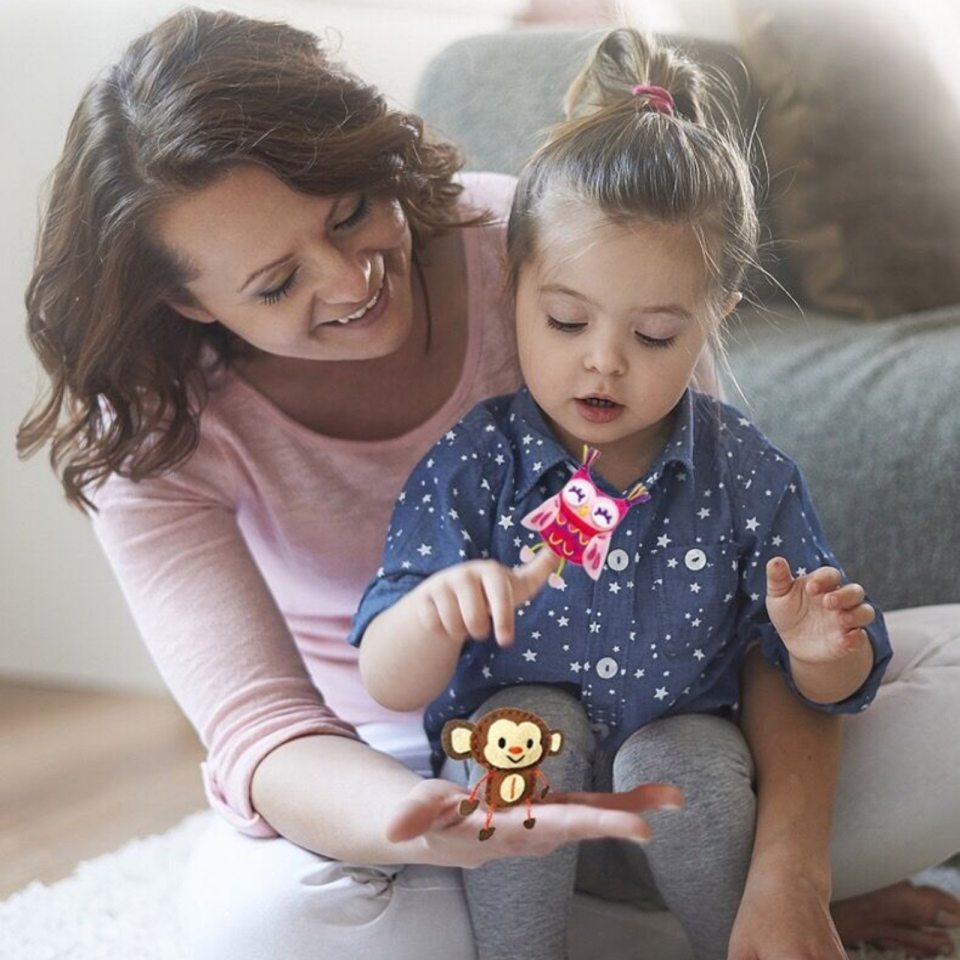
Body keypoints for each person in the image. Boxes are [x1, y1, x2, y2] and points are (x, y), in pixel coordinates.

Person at [15, 7, 959, 960]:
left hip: (682, 728)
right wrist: (423, 817)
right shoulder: (152, 430)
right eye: (276, 284)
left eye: (348, 213)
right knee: (274, 925)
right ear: (188, 301)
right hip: (403, 760)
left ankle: (701, 903)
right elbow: (265, 732)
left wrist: (790, 875)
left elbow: (742, 592)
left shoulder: (549, 249)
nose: (350, 281)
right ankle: (635, 917)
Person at [347, 28, 894, 960]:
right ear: (513, 290)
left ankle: (745, 945)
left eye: (653, 334)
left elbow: (840, 681)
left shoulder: (743, 469)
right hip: (519, 778)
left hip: (678, 765)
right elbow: (388, 677)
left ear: (711, 321)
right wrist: (435, 612)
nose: (602, 360)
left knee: (689, 761)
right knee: (526, 733)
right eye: (566, 320)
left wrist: (821, 649)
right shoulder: (479, 462)